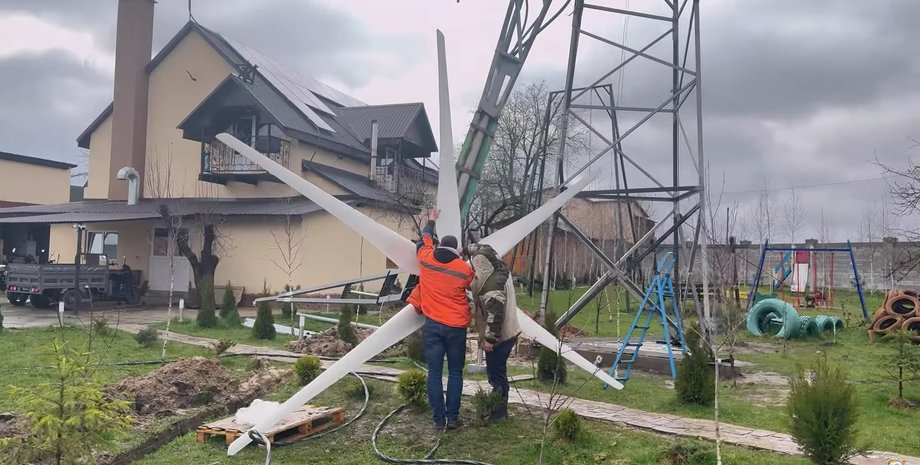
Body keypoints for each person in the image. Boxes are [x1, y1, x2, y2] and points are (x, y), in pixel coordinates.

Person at [416, 209, 473, 429]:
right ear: (456, 249)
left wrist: (431, 220)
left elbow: (424, 239)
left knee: (434, 373)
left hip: (432, 326)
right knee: (456, 372)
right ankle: (453, 418)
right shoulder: (463, 269)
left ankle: (439, 420)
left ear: (440, 246)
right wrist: (461, 256)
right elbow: (471, 284)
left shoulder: (427, 259)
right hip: (456, 327)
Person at [468, 242, 519, 421]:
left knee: (496, 375)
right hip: (510, 332)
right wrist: (469, 248)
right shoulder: (501, 271)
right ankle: (497, 408)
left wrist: (489, 339)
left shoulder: (492, 286)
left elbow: (495, 315)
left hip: (501, 336)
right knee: (498, 373)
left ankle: (499, 412)